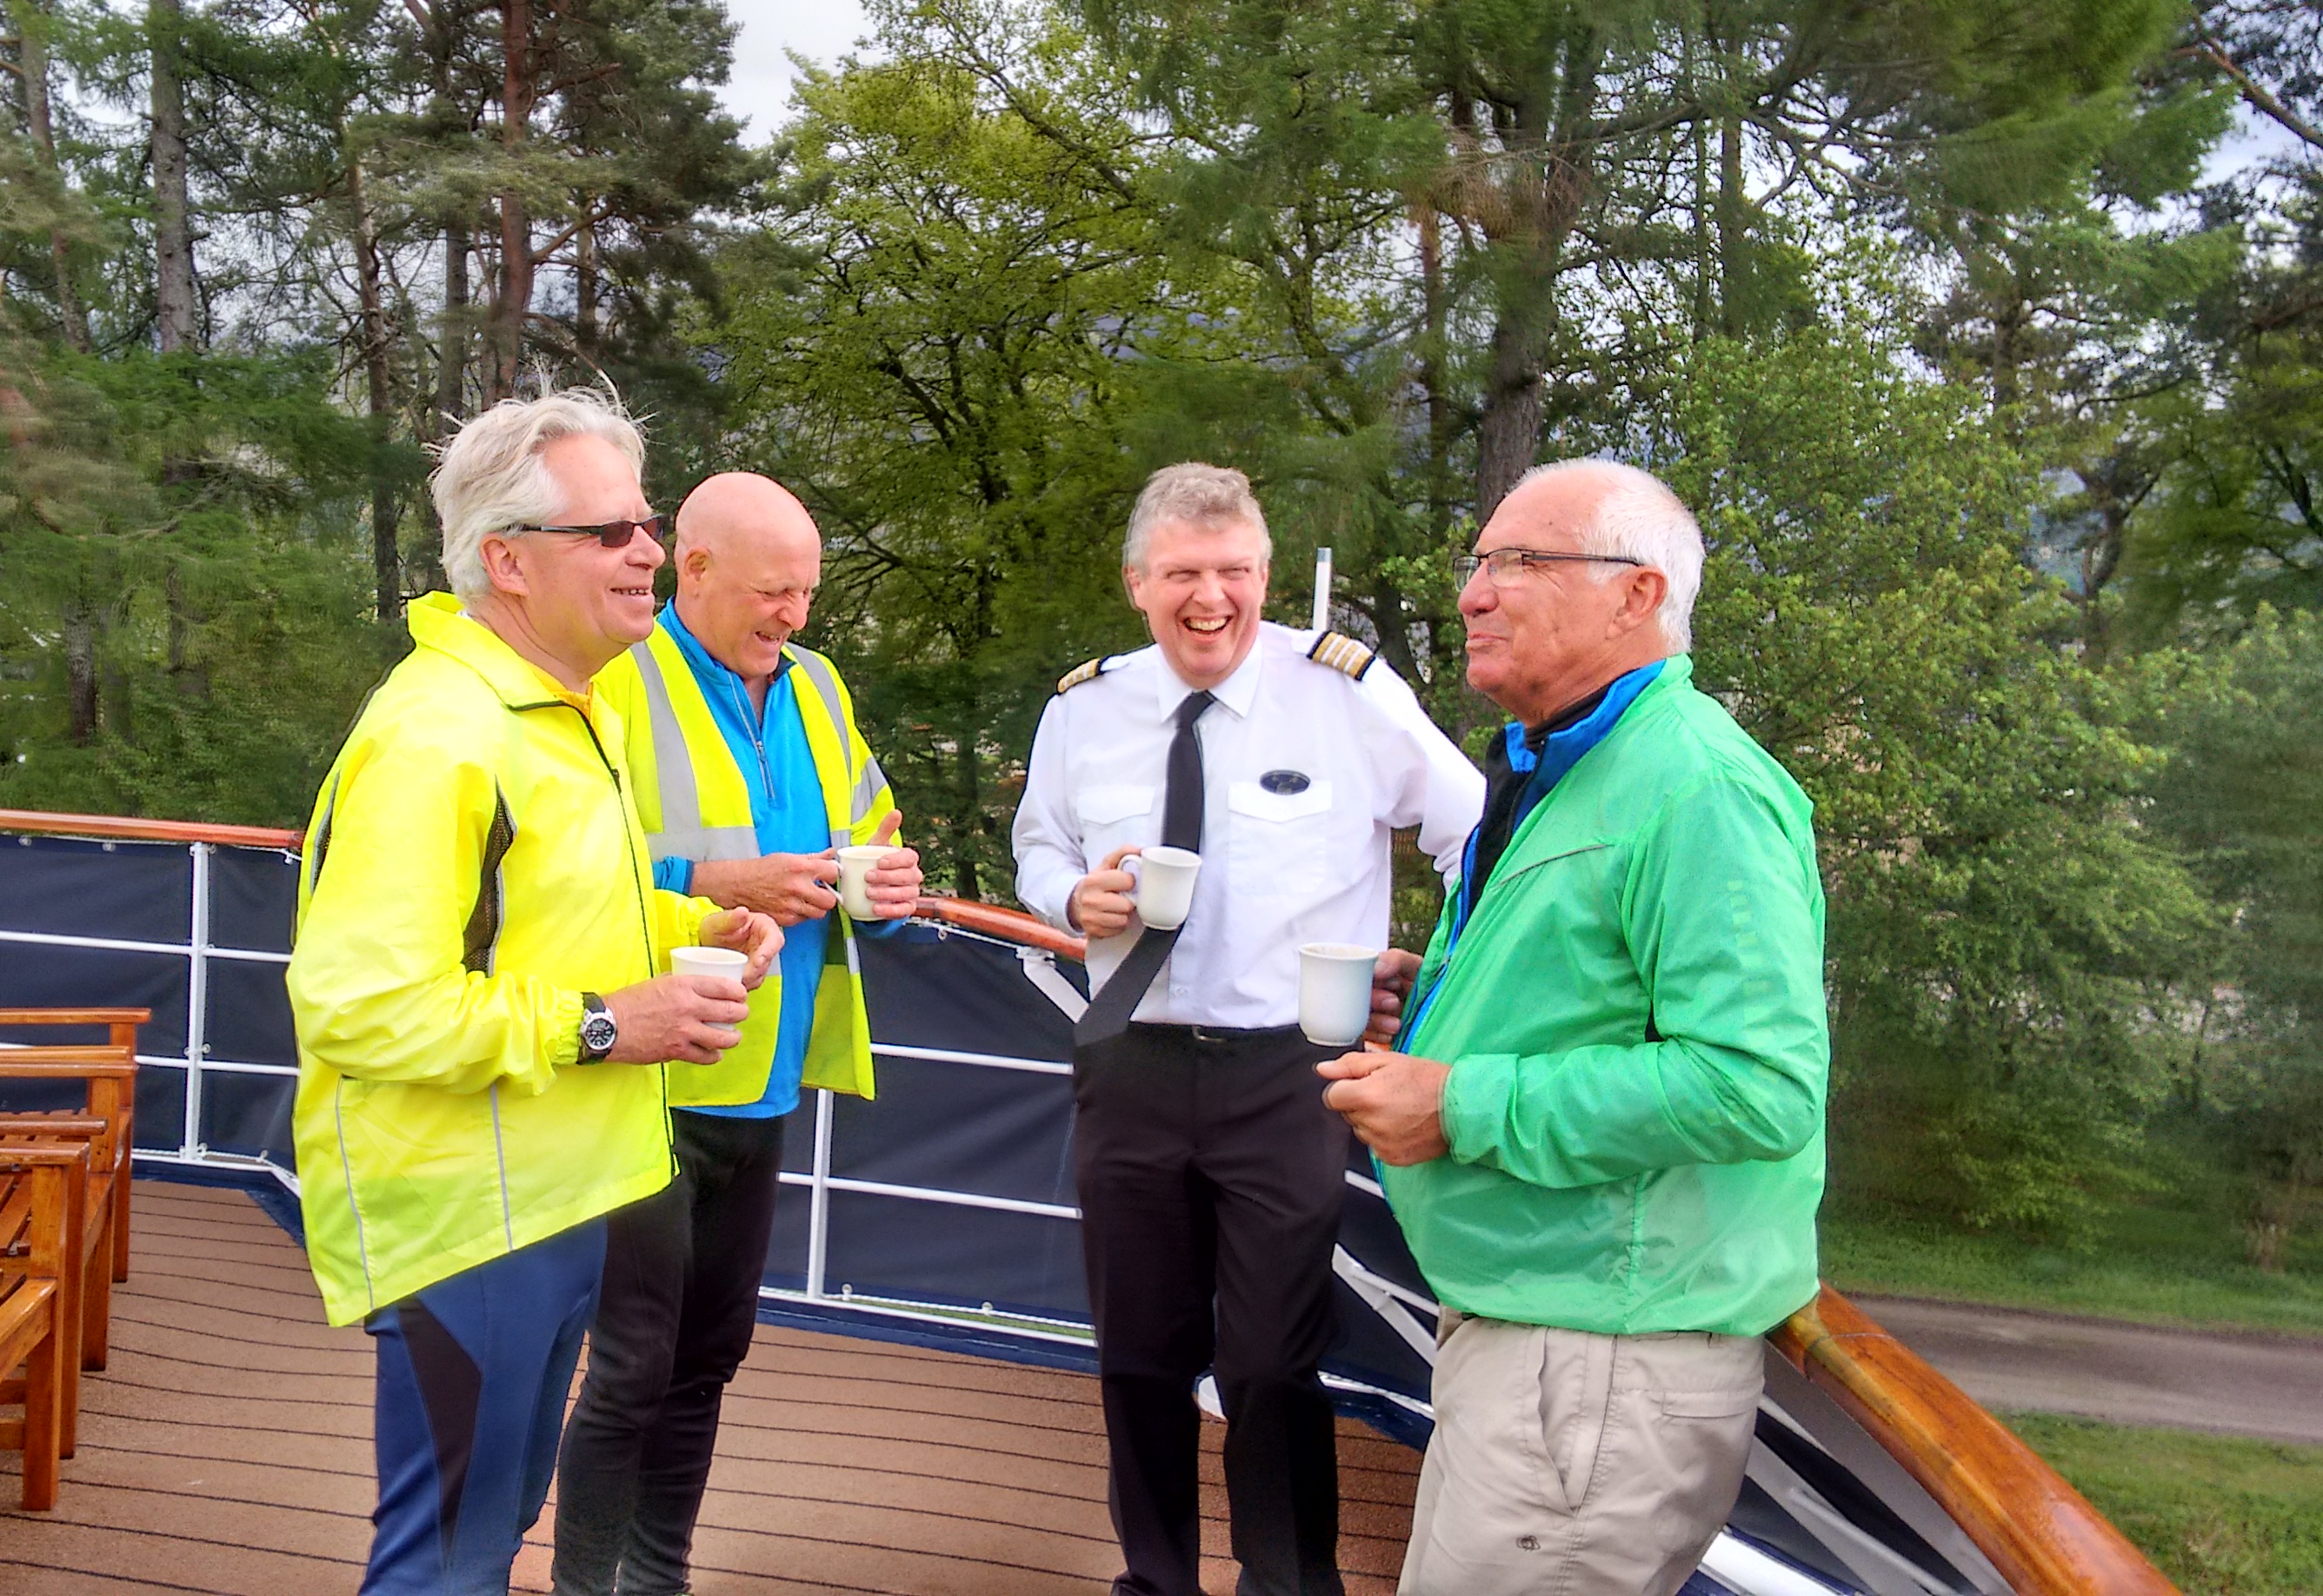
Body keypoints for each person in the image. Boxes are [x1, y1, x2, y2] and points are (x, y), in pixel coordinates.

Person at [287, 389, 785, 1596]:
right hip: (473, 1216)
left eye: (647, 523)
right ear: (508, 562)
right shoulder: (439, 737)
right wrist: (612, 1024)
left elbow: (547, 915)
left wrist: (691, 926)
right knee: (446, 1557)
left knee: (492, 1530)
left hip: (555, 1195)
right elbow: (359, 1008)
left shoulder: (564, 704)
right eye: (609, 532)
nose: (649, 551)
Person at [1319, 459, 1827, 1596]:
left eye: (1520, 563)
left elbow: (1757, 1085)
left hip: (1599, 1366)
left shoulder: (1698, 788)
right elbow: (1599, 987)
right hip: (1549, 1345)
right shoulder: (1574, 764)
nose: (1473, 595)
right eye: (1479, 563)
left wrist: (1458, 1103)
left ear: (1637, 594)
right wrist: (1438, 994)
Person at [1011, 463, 1482, 1596]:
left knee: (1272, 1358)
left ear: (1266, 575)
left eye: (1234, 572)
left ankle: (1290, 1584)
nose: (1211, 597)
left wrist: (1442, 988)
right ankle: (1155, 1581)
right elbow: (1037, 845)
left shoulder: (1343, 693)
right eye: (1183, 573)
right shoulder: (1083, 709)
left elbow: (1472, 835)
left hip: (1289, 1071)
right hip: (1128, 1056)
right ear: (1138, 582)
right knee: (1138, 1357)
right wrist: (1072, 896)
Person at [556, 472, 923, 1596]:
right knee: (630, 1365)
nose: (794, 616)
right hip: (644, 1076)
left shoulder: (818, 684)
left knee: (710, 1357)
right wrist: (724, 882)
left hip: (764, 1079)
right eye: (774, 593)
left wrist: (887, 886)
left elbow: (869, 832)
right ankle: (583, 1587)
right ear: (695, 568)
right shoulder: (612, 680)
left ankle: (655, 1579)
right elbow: (567, 876)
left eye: (807, 593)